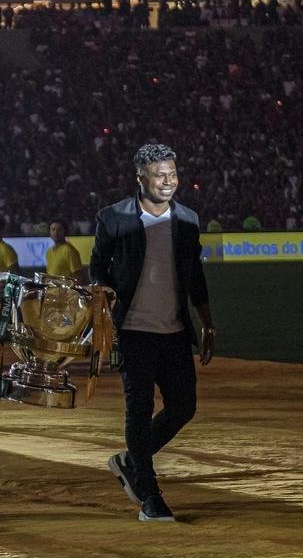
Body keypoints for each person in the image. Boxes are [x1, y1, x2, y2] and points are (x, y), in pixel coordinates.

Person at [90, 143, 215, 523]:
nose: (168, 182)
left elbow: (195, 275)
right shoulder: (113, 218)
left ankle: (130, 460)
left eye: (173, 174)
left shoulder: (188, 220)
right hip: (133, 332)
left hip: (175, 332)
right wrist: (106, 312)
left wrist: (207, 323)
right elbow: (97, 270)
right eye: (159, 175)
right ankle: (149, 494)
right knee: (138, 410)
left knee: (184, 407)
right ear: (140, 178)